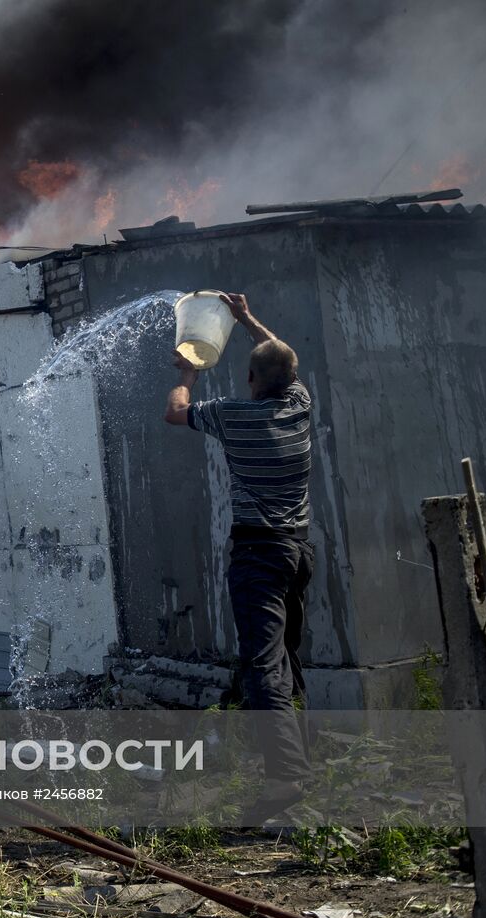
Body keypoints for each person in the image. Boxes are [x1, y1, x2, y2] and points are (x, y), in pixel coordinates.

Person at [163, 293, 314, 824]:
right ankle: (299, 759)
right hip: (298, 550)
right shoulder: (299, 405)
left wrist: (189, 369)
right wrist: (247, 319)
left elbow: (175, 412)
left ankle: (284, 780)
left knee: (263, 666)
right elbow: (279, 357)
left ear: (251, 381)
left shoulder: (235, 417)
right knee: (287, 658)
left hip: (258, 554)